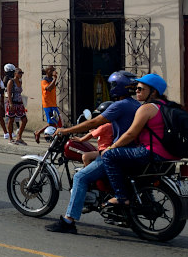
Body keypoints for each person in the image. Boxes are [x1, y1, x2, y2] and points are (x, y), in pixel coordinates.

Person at [45, 71, 141, 234]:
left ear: (117, 87)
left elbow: (95, 122)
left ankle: (69, 221)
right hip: (132, 151)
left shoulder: (120, 105)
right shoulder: (136, 105)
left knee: (80, 177)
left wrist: (66, 130)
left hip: (118, 153)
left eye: (112, 85)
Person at [102, 73, 179, 208]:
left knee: (109, 155)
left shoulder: (146, 108)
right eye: (136, 88)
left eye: (140, 89)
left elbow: (131, 134)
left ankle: (121, 196)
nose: (136, 91)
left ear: (153, 92)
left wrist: (112, 147)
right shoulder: (168, 106)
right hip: (170, 154)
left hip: (151, 152)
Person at [36, 66, 61, 143]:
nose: (53, 71)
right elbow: (48, 88)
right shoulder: (44, 81)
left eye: (53, 70)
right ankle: (39, 133)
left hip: (53, 104)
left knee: (57, 122)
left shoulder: (51, 80)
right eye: (51, 70)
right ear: (47, 71)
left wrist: (54, 79)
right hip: (48, 105)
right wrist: (54, 79)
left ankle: (40, 133)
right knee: (51, 123)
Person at [6, 67, 29, 144]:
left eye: (21, 73)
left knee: (24, 120)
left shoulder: (20, 81)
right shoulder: (11, 82)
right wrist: (10, 103)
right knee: (11, 120)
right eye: (19, 73)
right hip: (13, 103)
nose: (21, 75)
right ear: (15, 74)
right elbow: (9, 93)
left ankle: (19, 137)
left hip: (19, 103)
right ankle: (10, 138)